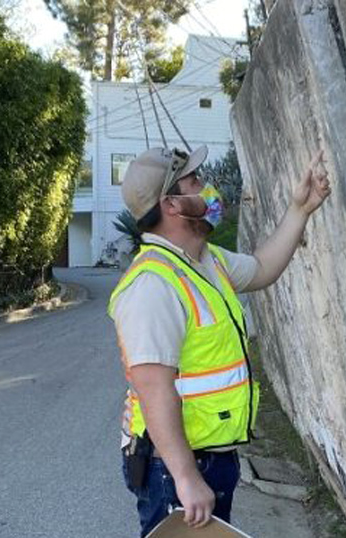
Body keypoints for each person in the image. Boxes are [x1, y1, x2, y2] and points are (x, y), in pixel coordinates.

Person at [108, 144, 331, 537]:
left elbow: (262, 268)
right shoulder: (151, 285)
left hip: (212, 458)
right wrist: (185, 476)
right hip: (173, 466)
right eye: (195, 181)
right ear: (172, 204)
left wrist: (302, 208)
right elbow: (153, 389)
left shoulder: (205, 261)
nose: (207, 187)